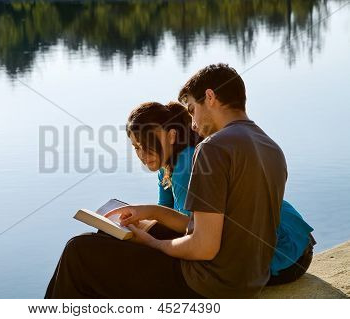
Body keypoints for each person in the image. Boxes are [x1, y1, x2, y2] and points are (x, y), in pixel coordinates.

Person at [45, 63, 293, 298]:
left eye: (193, 110)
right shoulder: (271, 147)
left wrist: (153, 243)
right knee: (107, 242)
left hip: (211, 283)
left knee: (78, 252)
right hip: (249, 280)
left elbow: (204, 247)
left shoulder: (213, 148)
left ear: (210, 97)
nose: (193, 125)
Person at [126, 101, 315, 285]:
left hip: (285, 254)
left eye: (148, 143)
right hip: (298, 244)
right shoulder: (167, 167)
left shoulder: (186, 163)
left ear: (172, 136)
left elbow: (194, 230)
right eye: (136, 147)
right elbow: (165, 218)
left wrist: (149, 215)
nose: (142, 154)